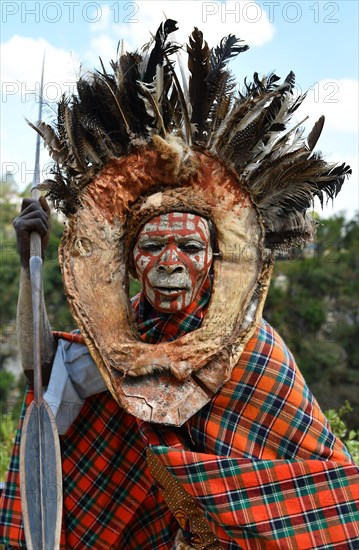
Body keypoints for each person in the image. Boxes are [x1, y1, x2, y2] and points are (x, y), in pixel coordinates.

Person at [1, 21, 359, 550]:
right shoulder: (115, 349)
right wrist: (24, 263)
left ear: (213, 262)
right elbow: (42, 371)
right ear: (129, 264)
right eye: (152, 249)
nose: (171, 264)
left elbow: (319, 486)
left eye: (189, 249)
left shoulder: (255, 351)